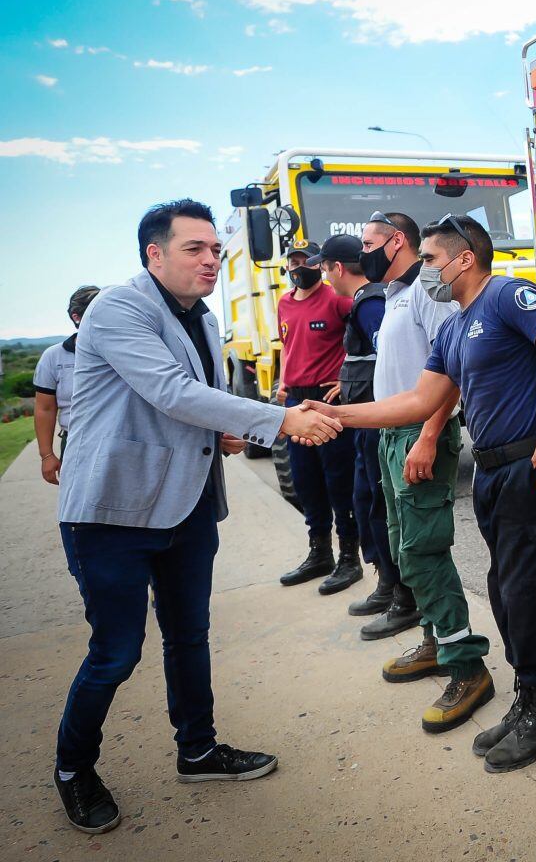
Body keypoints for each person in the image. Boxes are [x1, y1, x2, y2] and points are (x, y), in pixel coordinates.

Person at [53, 199, 342, 836]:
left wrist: (228, 436)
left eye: (215, 249)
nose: (212, 259)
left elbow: (195, 406)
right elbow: (171, 392)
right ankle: (74, 768)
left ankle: (198, 749)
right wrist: (277, 421)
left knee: (189, 638)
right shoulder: (118, 309)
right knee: (116, 651)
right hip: (115, 514)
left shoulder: (202, 318)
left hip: (184, 508)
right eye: (195, 249)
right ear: (154, 254)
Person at [311, 213, 536, 757]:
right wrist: (339, 416)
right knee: (504, 594)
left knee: (528, 594)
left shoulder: (509, 296)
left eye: (434, 260)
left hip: (528, 469)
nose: (427, 271)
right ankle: (527, 700)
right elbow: (420, 402)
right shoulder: (453, 327)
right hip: (489, 473)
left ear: (465, 258)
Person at [347, 210, 483, 733]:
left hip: (420, 436)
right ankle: (435, 639)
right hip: (391, 436)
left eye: (368, 241)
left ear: (394, 240)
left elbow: (451, 368)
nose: (364, 251)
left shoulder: (428, 291)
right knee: (404, 548)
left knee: (424, 551)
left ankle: (466, 667)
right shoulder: (394, 293)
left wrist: (428, 434)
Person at [312, 234, 397, 617]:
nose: (324, 275)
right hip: (366, 421)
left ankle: (394, 589)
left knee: (375, 505)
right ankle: (387, 583)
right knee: (366, 503)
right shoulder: (367, 301)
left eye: (324, 267)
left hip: (376, 424)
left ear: (337, 268)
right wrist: (348, 383)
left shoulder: (368, 304)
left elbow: (392, 360)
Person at [275, 242, 361, 593]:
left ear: (318, 264)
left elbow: (363, 341)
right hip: (295, 401)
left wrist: (346, 377)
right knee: (306, 482)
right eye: (293, 262)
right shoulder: (282, 302)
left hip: (325, 402)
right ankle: (319, 553)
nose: (299, 267)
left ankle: (349, 559)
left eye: (304, 261)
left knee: (339, 483)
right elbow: (285, 344)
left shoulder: (337, 299)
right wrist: (283, 381)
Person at [34, 284, 101, 484]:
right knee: (79, 509)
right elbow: (45, 408)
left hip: (125, 440)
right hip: (76, 442)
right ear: (76, 317)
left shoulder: (129, 350)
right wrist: (47, 455)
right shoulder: (54, 356)